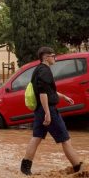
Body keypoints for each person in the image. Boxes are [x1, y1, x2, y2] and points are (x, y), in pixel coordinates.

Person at [20, 47, 83, 175]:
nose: (55, 58)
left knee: (36, 137)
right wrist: (48, 113)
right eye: (53, 56)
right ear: (45, 57)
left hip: (39, 110)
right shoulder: (45, 71)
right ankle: (79, 168)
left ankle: (25, 167)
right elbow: (43, 93)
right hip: (47, 110)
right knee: (65, 139)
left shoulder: (38, 70)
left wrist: (64, 97)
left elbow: (48, 90)